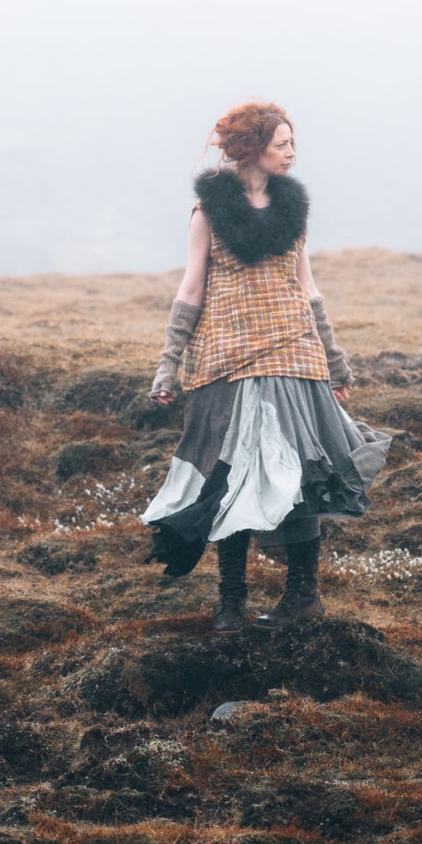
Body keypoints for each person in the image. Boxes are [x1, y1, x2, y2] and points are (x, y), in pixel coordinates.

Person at [140, 101, 390, 632]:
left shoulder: (292, 208)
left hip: (294, 354)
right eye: (283, 143)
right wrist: (168, 368)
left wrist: (336, 361)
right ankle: (231, 602)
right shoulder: (209, 211)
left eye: (293, 143)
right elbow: (190, 289)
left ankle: (304, 596)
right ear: (252, 147)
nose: (293, 152)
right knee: (233, 474)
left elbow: (308, 286)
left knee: (298, 471)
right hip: (225, 357)